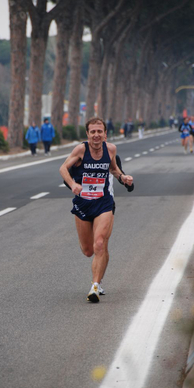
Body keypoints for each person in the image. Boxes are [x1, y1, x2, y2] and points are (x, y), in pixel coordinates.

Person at [59, 116, 133, 303]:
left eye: (100, 131)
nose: (96, 135)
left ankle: (95, 286)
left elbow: (114, 169)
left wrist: (123, 178)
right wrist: (73, 184)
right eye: (93, 132)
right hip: (83, 203)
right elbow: (63, 169)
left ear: (105, 134)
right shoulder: (80, 150)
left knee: (99, 243)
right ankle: (97, 280)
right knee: (87, 250)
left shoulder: (111, 150)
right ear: (87, 134)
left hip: (103, 202)